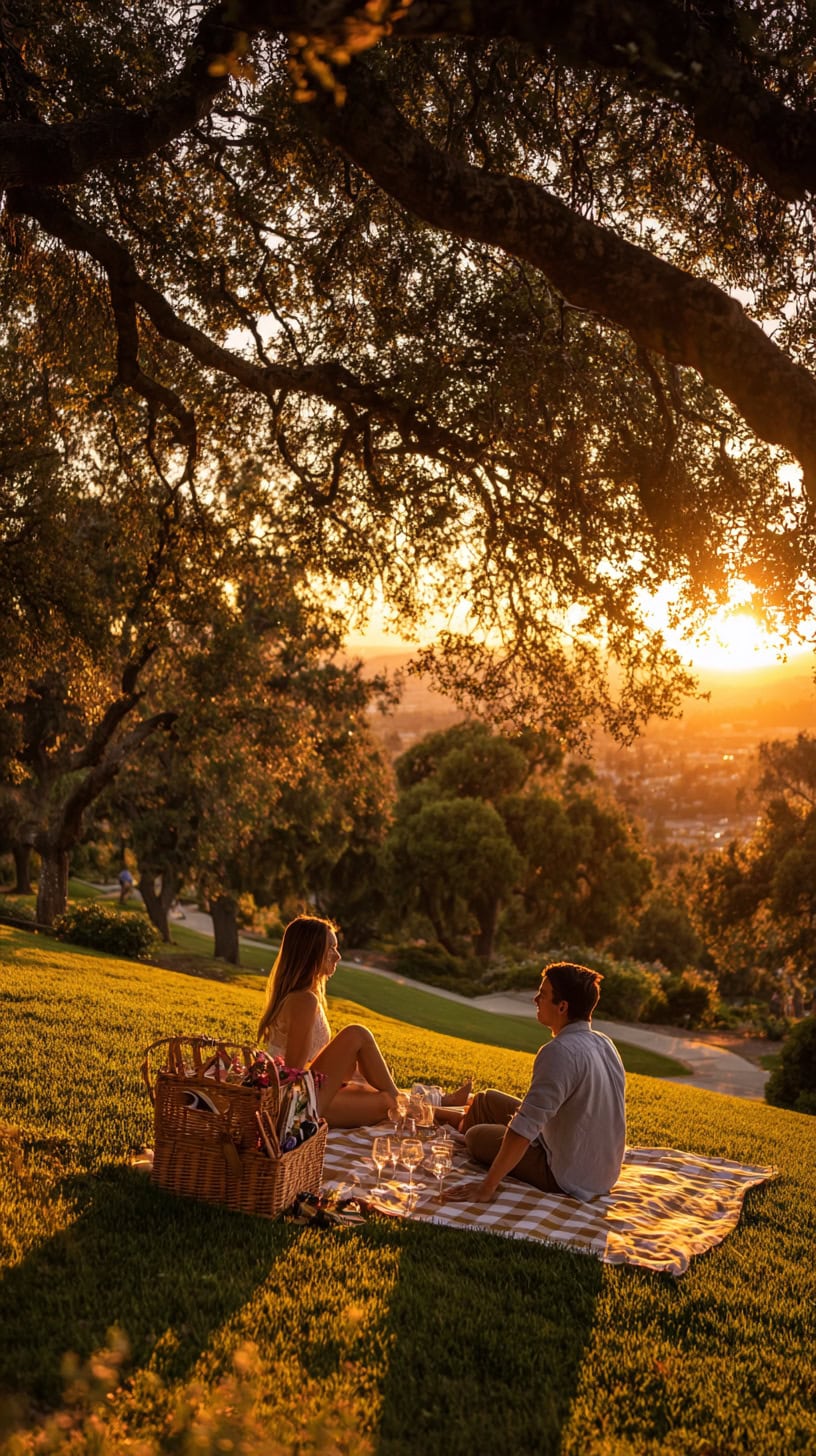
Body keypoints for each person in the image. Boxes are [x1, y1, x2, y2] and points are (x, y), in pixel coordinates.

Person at [257, 915, 470, 1130]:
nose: (338, 956)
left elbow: (312, 1064)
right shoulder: (303, 1001)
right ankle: (449, 1115)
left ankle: (448, 1111)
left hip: (309, 1095)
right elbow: (293, 1072)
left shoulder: (302, 997)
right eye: (331, 948)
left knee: (380, 1093)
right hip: (296, 1106)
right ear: (310, 951)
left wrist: (348, 1070)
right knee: (359, 1040)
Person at [445, 961, 626, 1203]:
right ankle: (436, 1113)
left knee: (476, 1136)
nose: (535, 999)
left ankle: (444, 1120)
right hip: (596, 1166)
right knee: (485, 1100)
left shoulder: (560, 1051)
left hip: (568, 1175)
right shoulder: (604, 1043)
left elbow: (525, 1126)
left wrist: (486, 1187)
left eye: (543, 994)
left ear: (562, 1006)